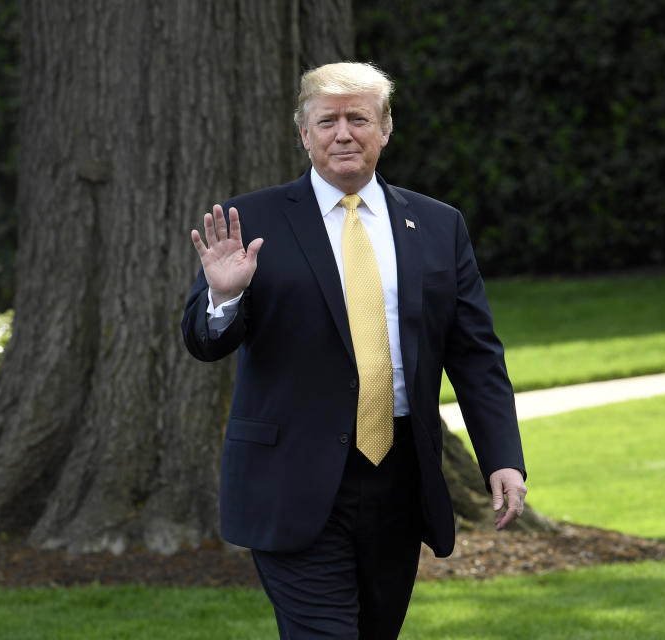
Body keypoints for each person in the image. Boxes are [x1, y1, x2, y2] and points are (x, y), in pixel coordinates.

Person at [182, 61, 526, 639]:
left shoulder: (439, 225)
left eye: (358, 119)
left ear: (385, 129)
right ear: (304, 133)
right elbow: (203, 341)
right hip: (291, 479)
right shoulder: (251, 221)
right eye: (328, 121)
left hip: (397, 478)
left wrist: (503, 457)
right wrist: (223, 295)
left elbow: (475, 356)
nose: (343, 133)